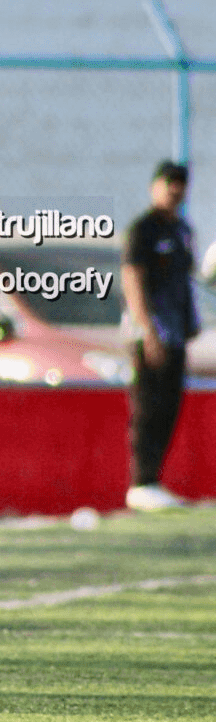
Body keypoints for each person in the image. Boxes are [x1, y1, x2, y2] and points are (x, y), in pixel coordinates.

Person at [121, 160, 198, 512]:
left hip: (177, 333)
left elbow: (184, 283)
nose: (175, 191)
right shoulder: (144, 229)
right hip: (151, 333)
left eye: (180, 185)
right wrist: (147, 331)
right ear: (156, 186)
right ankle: (141, 481)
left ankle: (154, 481)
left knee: (169, 406)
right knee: (148, 407)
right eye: (169, 184)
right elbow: (133, 280)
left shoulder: (183, 230)